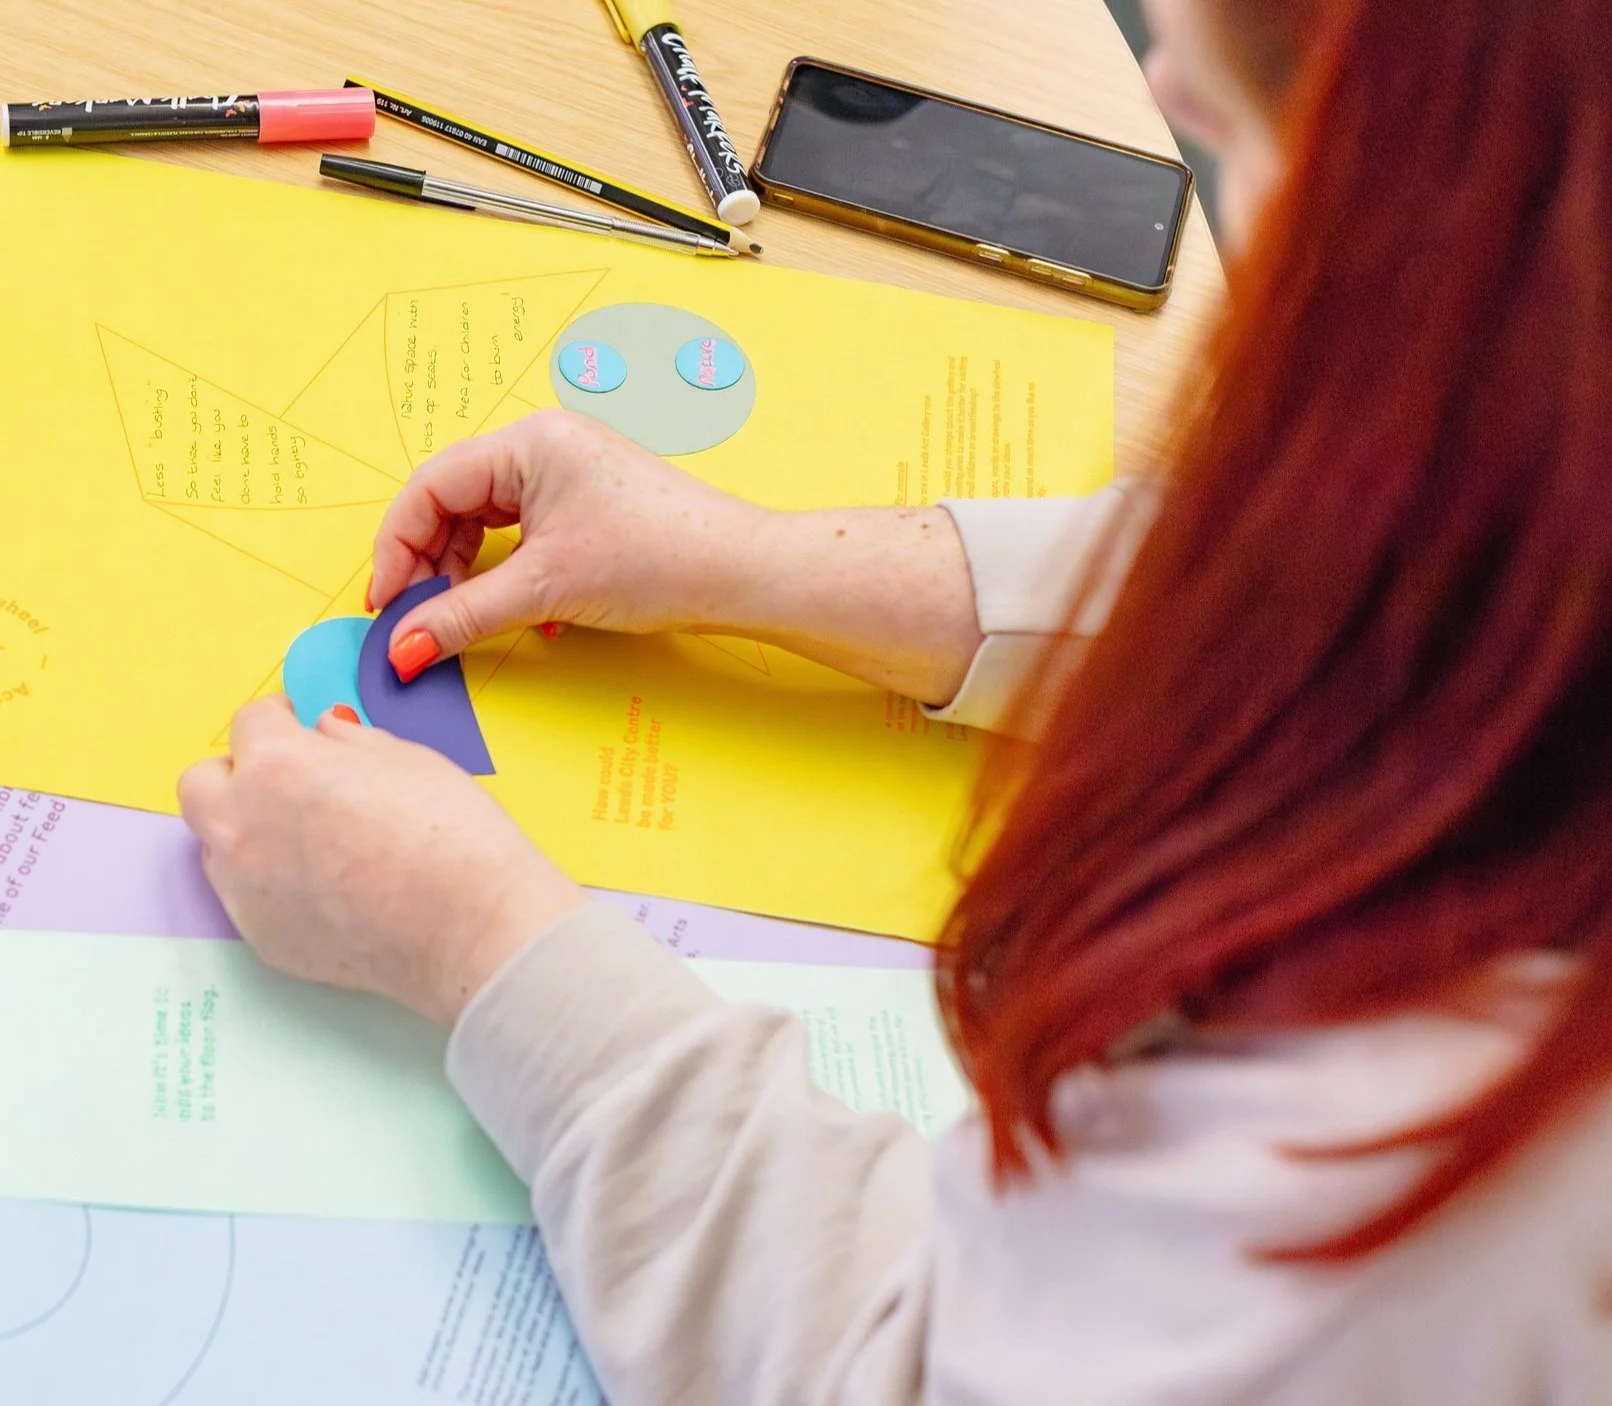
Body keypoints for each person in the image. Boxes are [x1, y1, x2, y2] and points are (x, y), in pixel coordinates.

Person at [177, 0, 1612, 1401]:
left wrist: (486, 944)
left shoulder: (1453, 1198)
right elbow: (1428, 594)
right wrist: (762, 563)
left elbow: (917, 1363)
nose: (1161, 76)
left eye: (1268, 98)